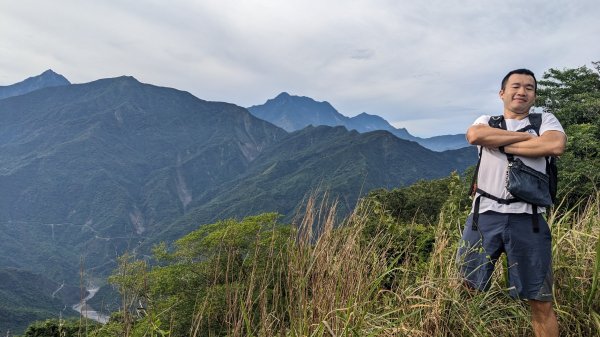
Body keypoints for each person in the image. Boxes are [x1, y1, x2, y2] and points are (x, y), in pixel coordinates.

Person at [456, 69, 567, 337]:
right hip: (483, 217)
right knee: (465, 291)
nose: (522, 91)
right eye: (516, 86)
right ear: (502, 93)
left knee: (540, 300)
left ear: (535, 95)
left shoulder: (545, 120)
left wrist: (502, 144)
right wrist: (529, 139)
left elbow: (554, 145)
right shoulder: (487, 119)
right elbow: (475, 136)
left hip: (528, 219)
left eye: (529, 87)